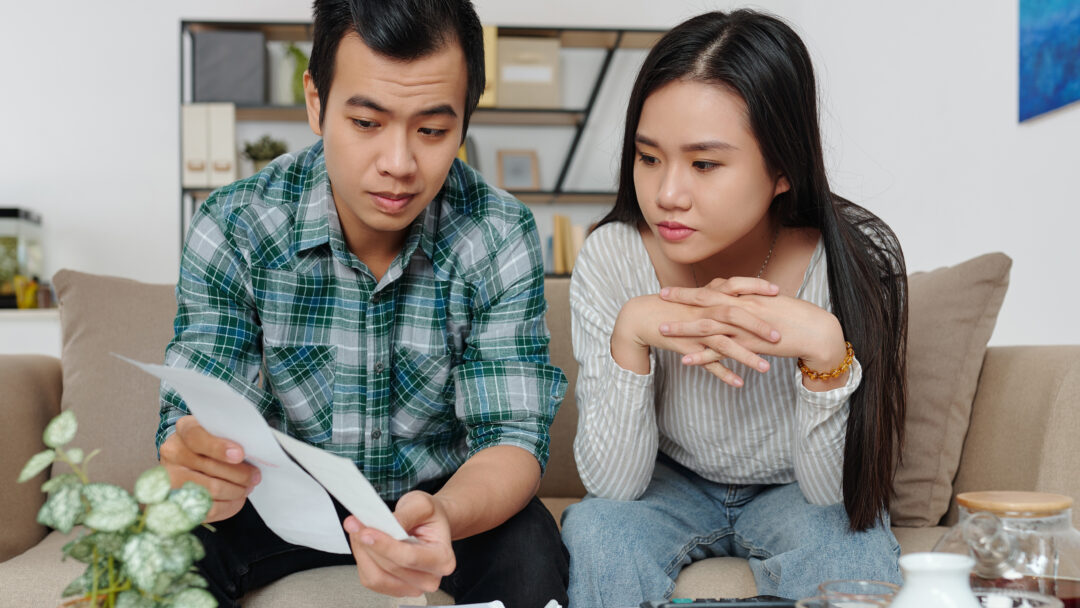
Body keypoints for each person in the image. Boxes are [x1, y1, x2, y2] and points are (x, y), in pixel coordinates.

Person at [155, 1, 569, 606]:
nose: (398, 166)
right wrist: (197, 463)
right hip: (276, 500)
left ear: (465, 121)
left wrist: (444, 514)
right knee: (167, 554)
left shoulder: (500, 232)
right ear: (316, 102)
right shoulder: (237, 223)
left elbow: (511, 436)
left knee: (531, 545)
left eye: (431, 130)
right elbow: (199, 405)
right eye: (367, 123)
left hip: (440, 500)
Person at [560, 9, 908, 605]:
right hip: (667, 487)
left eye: (704, 164)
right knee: (597, 532)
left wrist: (825, 350)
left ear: (781, 168)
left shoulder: (847, 261)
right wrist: (632, 333)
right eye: (649, 158)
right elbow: (614, 487)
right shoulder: (612, 257)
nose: (668, 194)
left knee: (853, 547)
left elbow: (831, 495)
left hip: (795, 491)